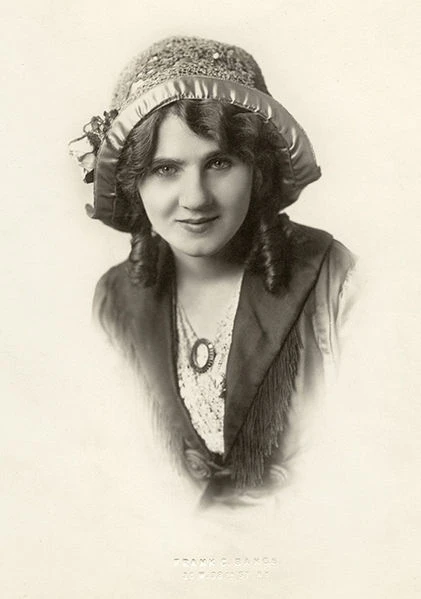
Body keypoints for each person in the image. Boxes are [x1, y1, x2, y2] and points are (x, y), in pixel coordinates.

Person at [69, 35, 358, 508]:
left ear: (257, 169)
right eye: (165, 169)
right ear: (133, 181)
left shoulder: (333, 281)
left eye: (219, 162)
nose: (196, 198)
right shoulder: (115, 301)